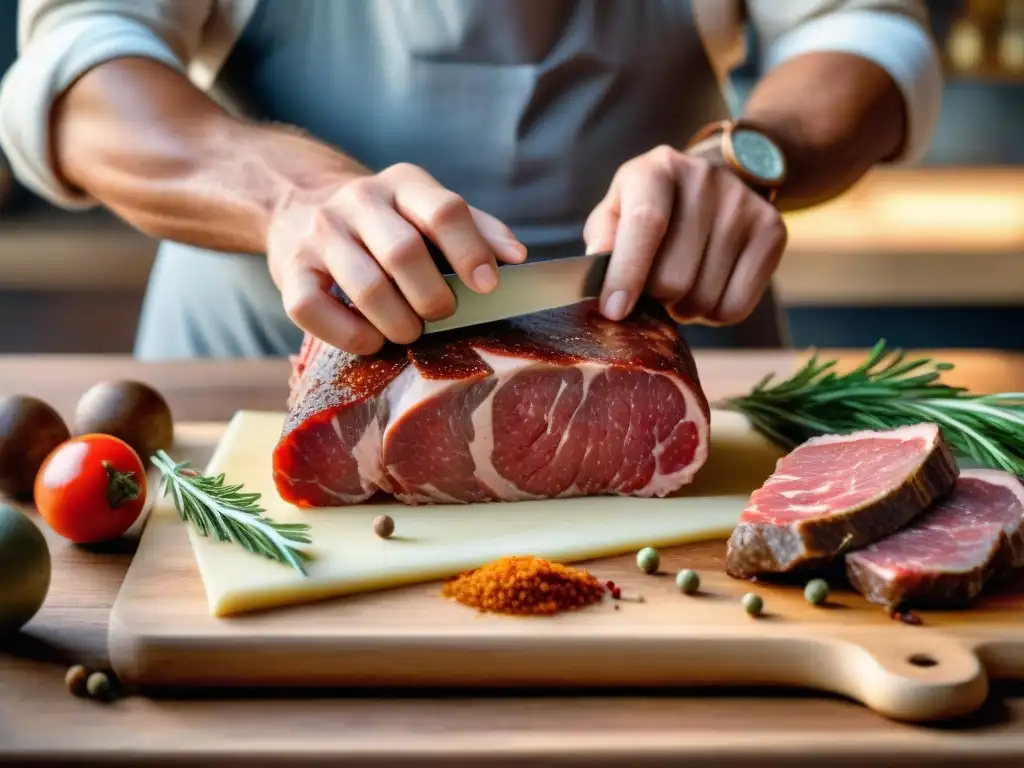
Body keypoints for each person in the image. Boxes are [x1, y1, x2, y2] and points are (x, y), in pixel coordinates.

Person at [0, 0, 941, 359]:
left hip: (666, 353)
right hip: (252, 368)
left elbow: (860, 31)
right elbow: (83, 62)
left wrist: (746, 158)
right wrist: (288, 199)